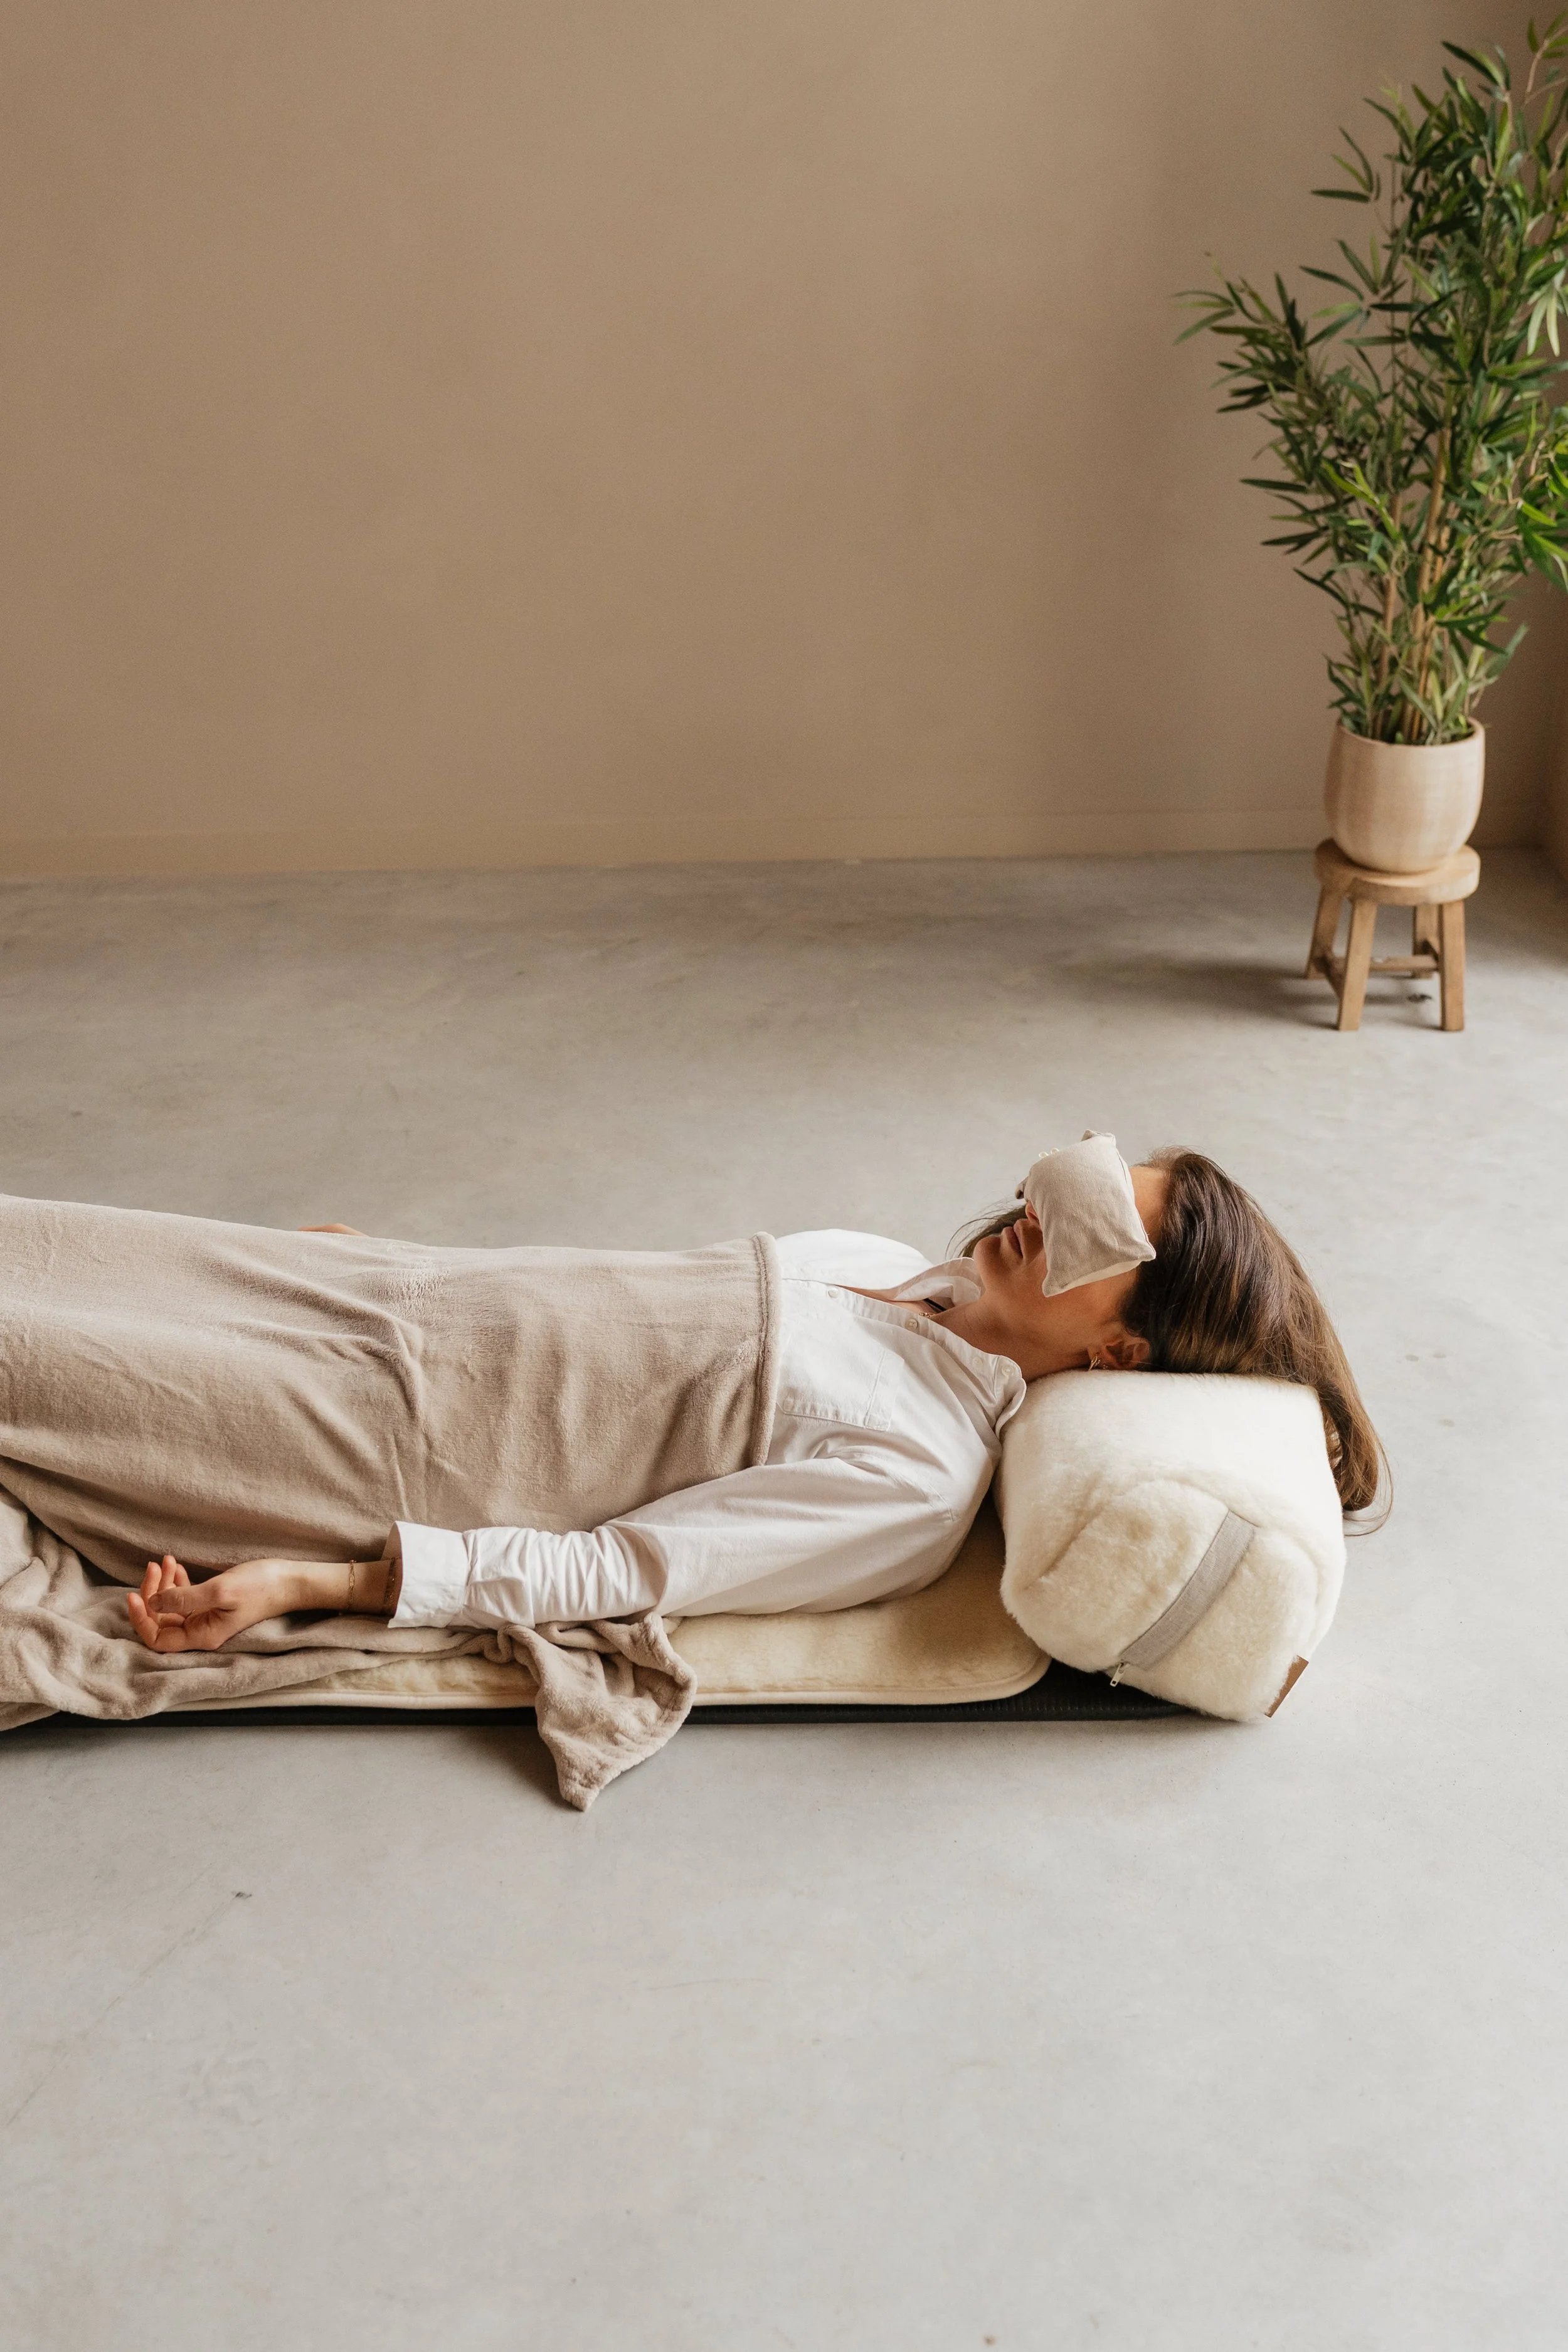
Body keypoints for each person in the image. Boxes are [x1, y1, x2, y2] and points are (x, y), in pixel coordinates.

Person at [125, 1145, 1382, 1657]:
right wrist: (402, 1261)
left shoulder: (919, 1476)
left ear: (1116, 1356)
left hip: (373, 1445)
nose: (1040, 1210)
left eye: (1095, 1239)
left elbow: (616, 1568)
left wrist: (315, 1584)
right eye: (1086, 1182)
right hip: (381, 1308)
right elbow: (599, 1302)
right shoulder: (873, 1259)